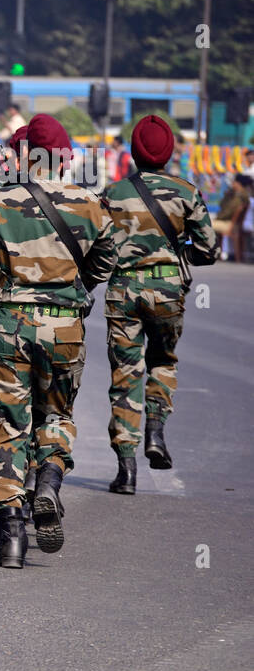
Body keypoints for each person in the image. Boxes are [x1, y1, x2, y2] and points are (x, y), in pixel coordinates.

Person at [0, 113, 116, 568]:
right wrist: (68, 288)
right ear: (68, 159)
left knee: (9, 420)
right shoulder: (92, 204)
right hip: (65, 324)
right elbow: (102, 268)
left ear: (27, 156)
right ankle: (48, 481)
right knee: (56, 413)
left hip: (10, 324)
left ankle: (11, 528)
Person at [102, 115, 219, 492]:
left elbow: (97, 249)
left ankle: (126, 469)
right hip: (168, 292)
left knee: (125, 373)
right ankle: (155, 430)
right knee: (163, 361)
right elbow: (208, 251)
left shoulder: (113, 193)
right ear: (168, 153)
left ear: (134, 153)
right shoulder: (186, 191)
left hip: (123, 292)